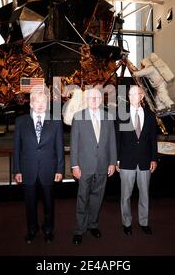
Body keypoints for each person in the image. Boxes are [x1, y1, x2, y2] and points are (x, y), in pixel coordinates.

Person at [13, 87, 65, 244]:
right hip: (27, 170)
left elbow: (59, 148)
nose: (41, 104)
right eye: (37, 101)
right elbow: (17, 148)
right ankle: (32, 229)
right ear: (31, 103)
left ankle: (48, 231)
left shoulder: (55, 121)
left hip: (48, 170)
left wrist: (60, 169)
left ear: (47, 103)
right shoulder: (21, 122)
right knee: (30, 204)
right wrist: (17, 170)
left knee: (49, 204)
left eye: (44, 101)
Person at [70, 87, 117, 245]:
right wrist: (74, 166)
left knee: (98, 197)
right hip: (84, 167)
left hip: (103, 166)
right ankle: (79, 229)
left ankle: (93, 225)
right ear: (86, 100)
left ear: (102, 99)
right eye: (91, 98)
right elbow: (74, 144)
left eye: (97, 97)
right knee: (83, 197)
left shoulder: (108, 117)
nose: (95, 100)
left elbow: (112, 142)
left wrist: (112, 162)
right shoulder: (78, 117)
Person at [116, 85, 158, 236]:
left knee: (144, 194)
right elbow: (117, 139)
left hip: (145, 161)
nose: (133, 97)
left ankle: (144, 222)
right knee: (125, 195)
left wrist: (154, 158)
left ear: (142, 96)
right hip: (126, 161)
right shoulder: (122, 114)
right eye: (130, 94)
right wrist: (117, 160)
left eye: (136, 94)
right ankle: (126, 223)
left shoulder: (150, 115)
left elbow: (153, 139)